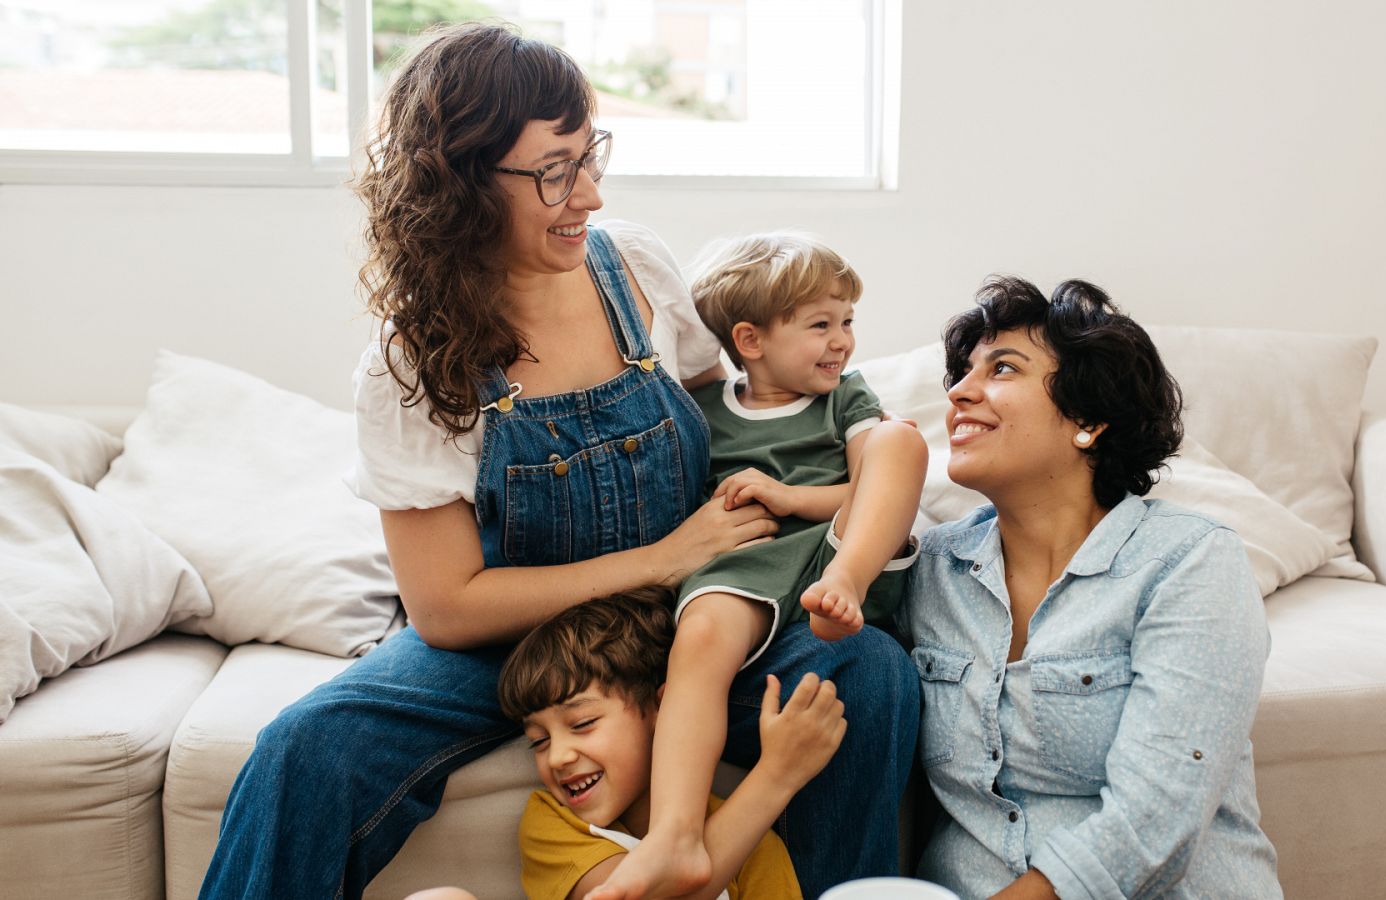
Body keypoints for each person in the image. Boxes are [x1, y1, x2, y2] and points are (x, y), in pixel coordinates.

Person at [196, 23, 919, 900]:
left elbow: (725, 423)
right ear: (459, 185)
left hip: (695, 614)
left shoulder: (639, 271)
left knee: (866, 675)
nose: (590, 195)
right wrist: (658, 557)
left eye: (590, 156)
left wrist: (804, 509)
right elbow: (448, 608)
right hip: (518, 641)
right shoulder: (412, 365)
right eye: (553, 171)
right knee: (307, 748)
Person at [901, 277, 1282, 898]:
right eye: (962, 374)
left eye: (1002, 369)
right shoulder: (933, 569)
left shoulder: (1187, 560)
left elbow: (1155, 818)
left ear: (1089, 419)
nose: (960, 394)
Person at [595, 233, 927, 899]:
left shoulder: (847, 400)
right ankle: (675, 834)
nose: (843, 342)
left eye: (847, 322)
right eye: (820, 325)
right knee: (703, 639)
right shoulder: (707, 413)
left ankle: (847, 587)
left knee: (899, 439)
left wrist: (794, 497)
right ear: (750, 340)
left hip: (839, 550)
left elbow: (873, 486)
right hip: (750, 561)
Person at [501, 586, 842, 900]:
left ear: (663, 709)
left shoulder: (751, 840)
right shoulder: (552, 824)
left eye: (583, 723)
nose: (558, 757)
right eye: (539, 741)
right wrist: (775, 778)